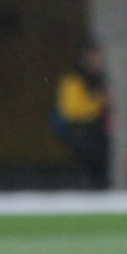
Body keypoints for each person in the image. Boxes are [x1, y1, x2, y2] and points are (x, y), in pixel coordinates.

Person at [49, 40, 110, 188]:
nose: (97, 60)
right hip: (81, 132)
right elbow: (72, 109)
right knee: (89, 167)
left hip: (97, 132)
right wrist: (97, 103)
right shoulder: (74, 78)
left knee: (101, 169)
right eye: (94, 56)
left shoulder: (99, 78)